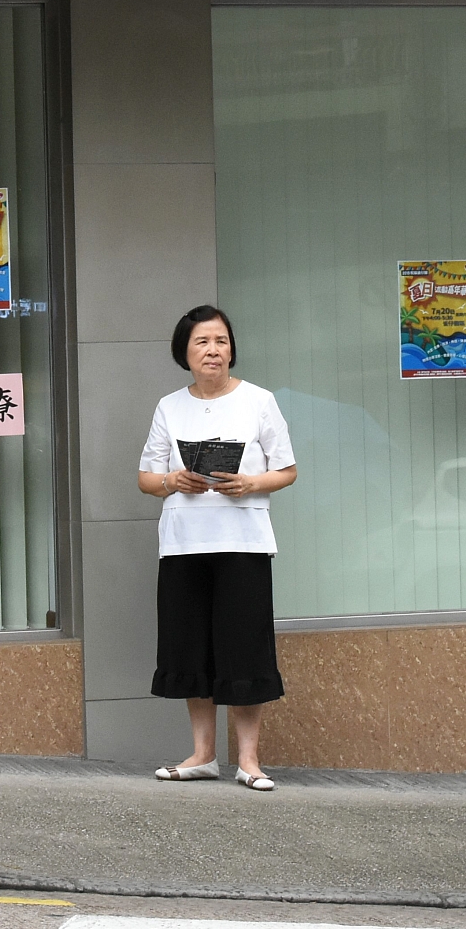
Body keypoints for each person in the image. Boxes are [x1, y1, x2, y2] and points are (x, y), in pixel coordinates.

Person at [137, 305, 298, 791]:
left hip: (243, 542)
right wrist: (172, 480)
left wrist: (249, 483)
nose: (214, 350)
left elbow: (287, 469)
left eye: (222, 341)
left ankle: (248, 760)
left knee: (243, 646)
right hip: (184, 544)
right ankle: (203, 755)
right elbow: (146, 477)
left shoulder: (259, 401)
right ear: (184, 352)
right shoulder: (170, 406)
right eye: (203, 342)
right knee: (190, 647)